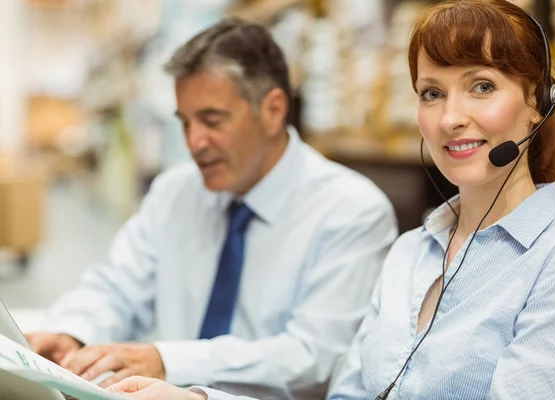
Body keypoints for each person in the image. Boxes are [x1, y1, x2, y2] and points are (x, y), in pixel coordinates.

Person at [107, 1, 555, 399]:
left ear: (539, 103)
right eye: (432, 93)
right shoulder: (411, 253)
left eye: (482, 87)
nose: (451, 118)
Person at [25, 17, 398, 400]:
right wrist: (71, 331)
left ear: (272, 110)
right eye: (185, 123)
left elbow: (314, 356)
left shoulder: (352, 211)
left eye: (212, 120)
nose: (194, 142)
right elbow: (117, 286)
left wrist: (168, 361)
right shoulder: (176, 192)